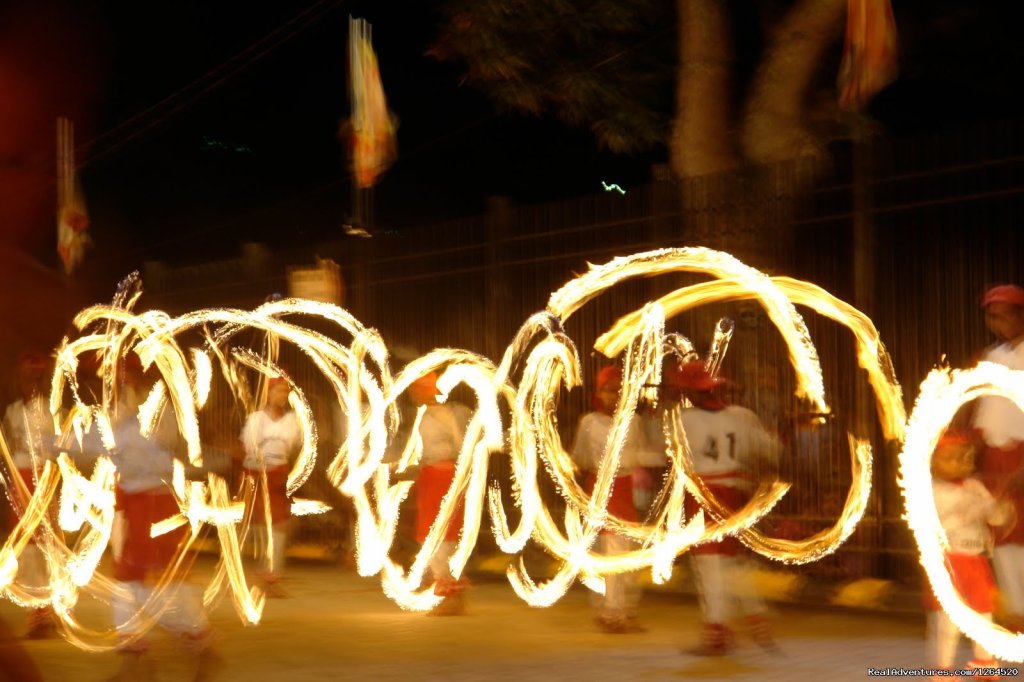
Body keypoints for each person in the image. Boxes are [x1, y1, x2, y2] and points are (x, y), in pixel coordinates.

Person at [107, 354, 219, 681]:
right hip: (131, 506)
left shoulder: (159, 415)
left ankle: (203, 649)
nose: (121, 386)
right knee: (127, 585)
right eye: (119, 381)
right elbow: (105, 449)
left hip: (157, 505)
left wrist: (129, 424)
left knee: (167, 587)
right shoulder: (117, 416)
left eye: (126, 380)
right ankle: (134, 662)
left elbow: (159, 455)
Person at [663, 360, 781, 656]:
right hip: (734, 494)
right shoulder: (743, 416)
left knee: (710, 566)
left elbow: (671, 455)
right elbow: (772, 449)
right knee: (733, 562)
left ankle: (717, 633)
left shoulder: (683, 419)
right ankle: (757, 619)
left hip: (704, 494)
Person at [571, 365, 664, 633]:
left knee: (623, 552)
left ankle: (617, 608)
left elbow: (640, 453)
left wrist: (664, 455)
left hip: (624, 489)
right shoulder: (588, 422)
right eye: (608, 390)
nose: (614, 395)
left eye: (617, 390)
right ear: (599, 392)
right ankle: (613, 612)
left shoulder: (632, 421)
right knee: (613, 550)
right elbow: (580, 458)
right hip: (601, 489)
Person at [924, 432, 1010, 681]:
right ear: (935, 461)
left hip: (976, 560)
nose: (959, 464)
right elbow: (938, 521)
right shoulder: (930, 490)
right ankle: (942, 672)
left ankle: (984, 663)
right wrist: (970, 510)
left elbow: (995, 517)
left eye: (964, 459)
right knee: (946, 622)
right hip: (949, 562)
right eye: (950, 459)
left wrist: (1001, 510)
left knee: (983, 615)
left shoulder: (974, 486)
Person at [973, 284, 1024, 631]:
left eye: (1002, 313)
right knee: (1001, 534)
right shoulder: (991, 357)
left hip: (1021, 453)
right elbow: (985, 406)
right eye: (991, 316)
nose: (996, 321)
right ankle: (1017, 613)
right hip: (993, 453)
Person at [2, 351, 58, 638]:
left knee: (44, 549)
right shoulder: (13, 411)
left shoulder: (49, 410)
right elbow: (10, 449)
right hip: (21, 481)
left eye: (35, 378)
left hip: (40, 481)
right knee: (28, 552)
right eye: (26, 378)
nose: (30, 384)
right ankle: (40, 613)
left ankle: (46, 613)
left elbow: (54, 448)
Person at [408, 371, 472, 615]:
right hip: (433, 477)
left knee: (436, 538)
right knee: (435, 537)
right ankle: (453, 593)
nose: (413, 393)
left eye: (417, 388)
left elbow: (457, 444)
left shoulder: (443, 414)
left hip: (443, 477)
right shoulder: (425, 415)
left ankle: (450, 596)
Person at [239, 375, 303, 597]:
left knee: (279, 526)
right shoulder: (257, 419)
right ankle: (254, 574)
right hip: (258, 474)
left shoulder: (292, 420)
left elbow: (293, 446)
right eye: (278, 390)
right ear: (269, 393)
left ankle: (270, 576)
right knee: (261, 527)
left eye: (286, 391)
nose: (282, 395)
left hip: (278, 474)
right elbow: (248, 446)